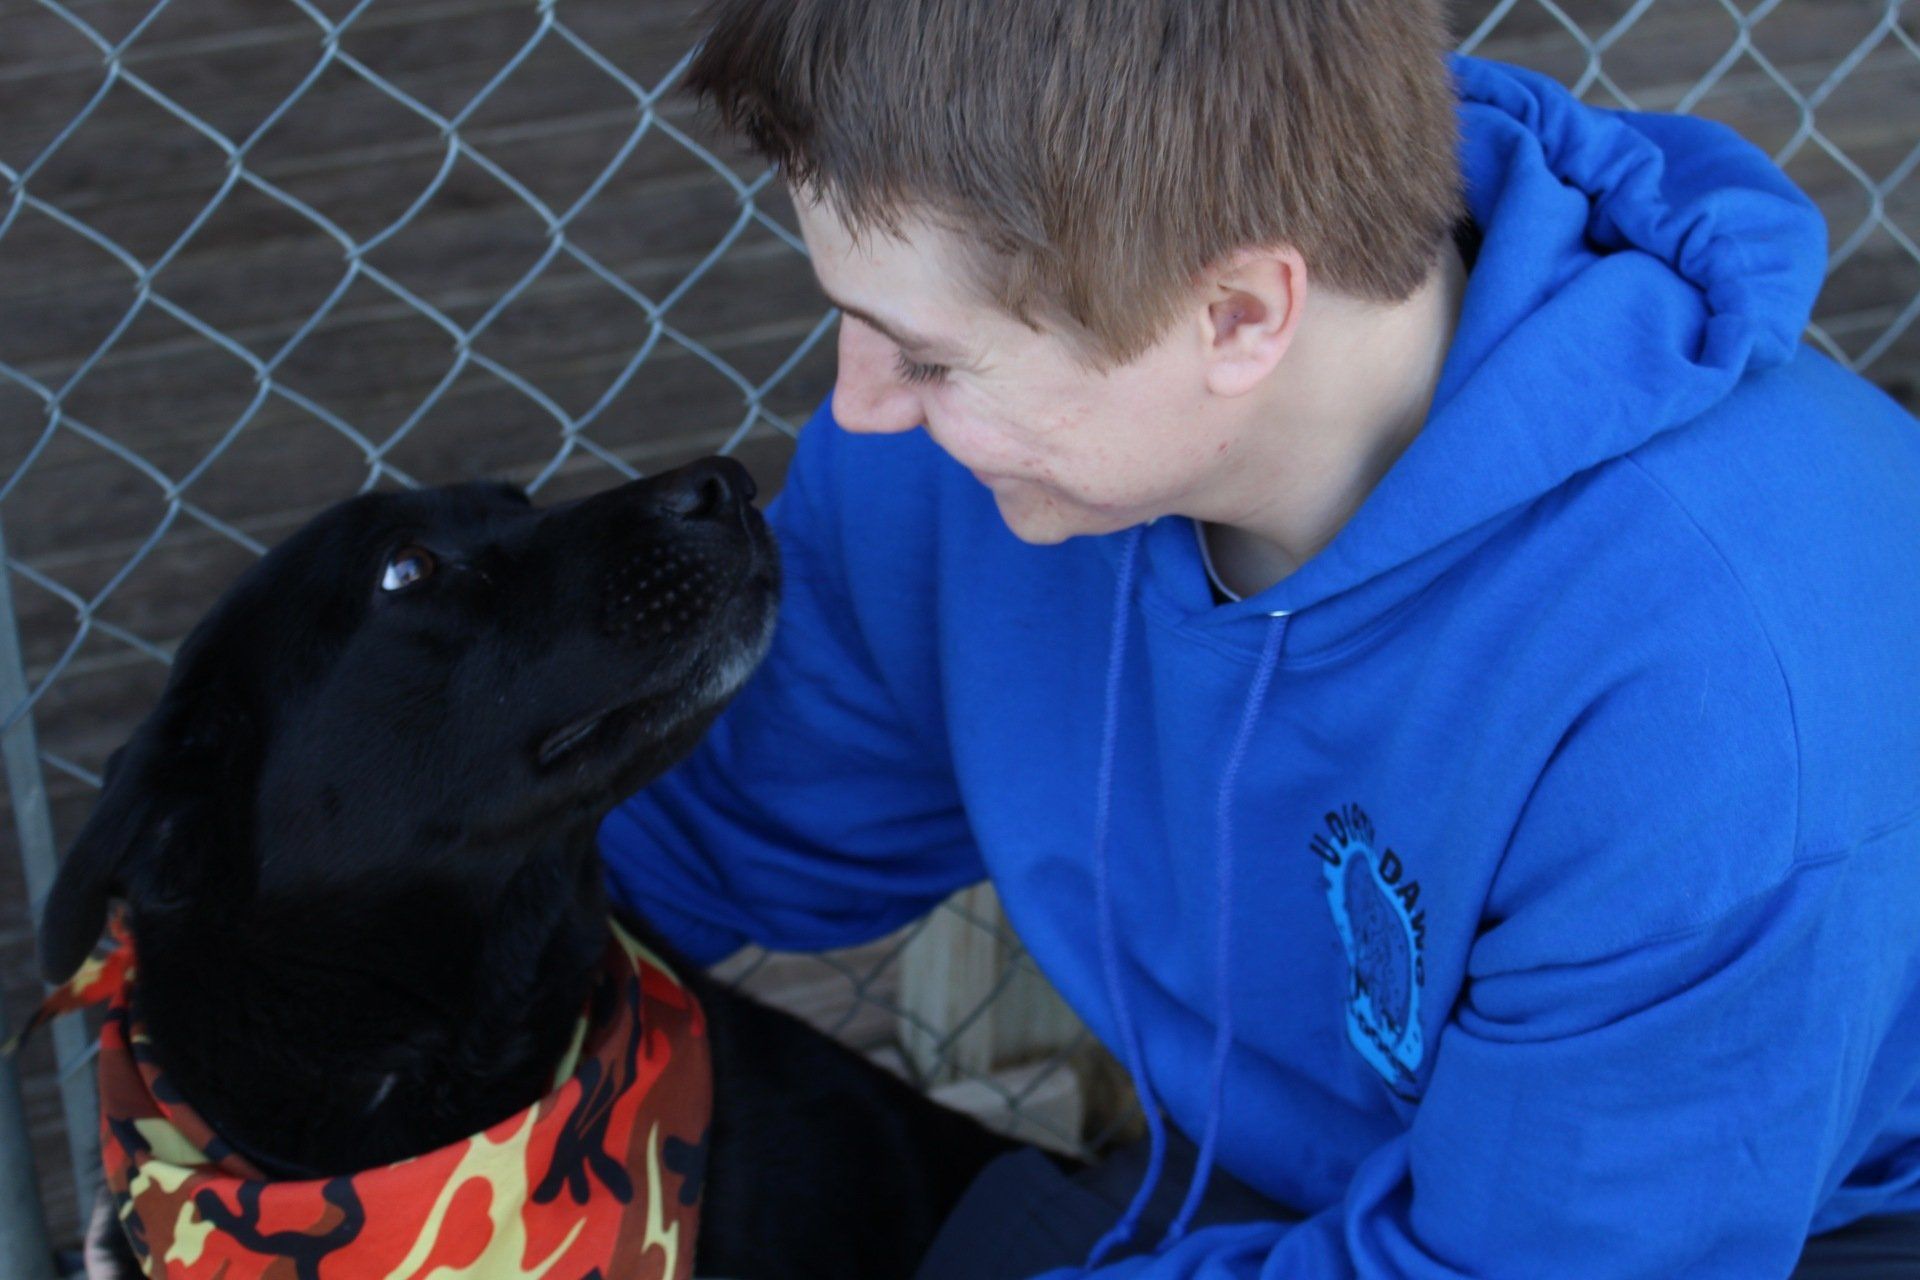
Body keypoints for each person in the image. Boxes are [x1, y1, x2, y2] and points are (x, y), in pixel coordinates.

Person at [597, 1, 1920, 1275]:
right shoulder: (962, 481)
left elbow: (1540, 1260)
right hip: (1321, 1167)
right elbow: (699, 845)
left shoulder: (1711, 692)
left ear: (1236, 314)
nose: (861, 405)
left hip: (1793, 1216)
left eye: (931, 358)